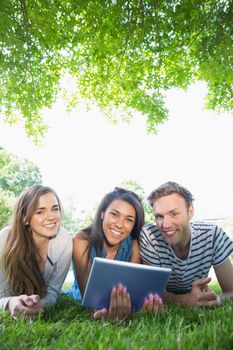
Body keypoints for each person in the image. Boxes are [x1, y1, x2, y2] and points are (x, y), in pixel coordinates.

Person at [68, 187, 163, 321]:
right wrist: (103, 312)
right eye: (114, 214)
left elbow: (133, 292)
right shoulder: (81, 241)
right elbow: (89, 300)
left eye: (129, 220)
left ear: (134, 224)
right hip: (80, 294)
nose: (119, 224)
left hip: (119, 298)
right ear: (102, 214)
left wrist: (144, 305)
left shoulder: (133, 244)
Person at [139, 181, 233, 307]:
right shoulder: (150, 235)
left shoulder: (212, 234)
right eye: (159, 216)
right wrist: (183, 300)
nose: (165, 225)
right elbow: (152, 293)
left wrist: (216, 300)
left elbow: (231, 291)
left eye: (174, 214)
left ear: (190, 212)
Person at [0, 185, 72, 319]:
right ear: (25, 219)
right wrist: (9, 303)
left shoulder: (64, 240)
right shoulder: (5, 239)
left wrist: (39, 306)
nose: (52, 217)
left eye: (55, 209)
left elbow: (53, 293)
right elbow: (1, 296)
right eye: (40, 212)